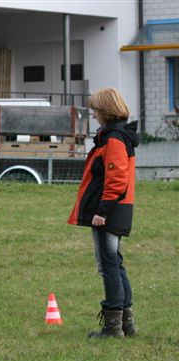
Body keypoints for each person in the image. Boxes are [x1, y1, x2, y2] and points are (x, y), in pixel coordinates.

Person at [68, 87, 139, 338]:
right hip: (117, 208)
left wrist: (102, 211)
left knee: (108, 265)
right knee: (115, 263)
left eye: (96, 110)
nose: (94, 114)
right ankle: (126, 323)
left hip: (109, 210)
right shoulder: (117, 136)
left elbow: (117, 178)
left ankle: (112, 327)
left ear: (106, 110)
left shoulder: (114, 138)